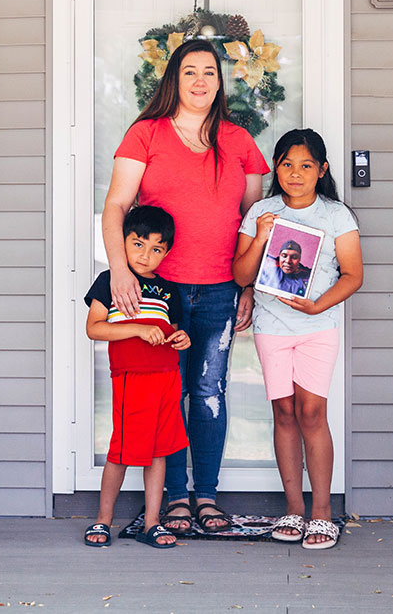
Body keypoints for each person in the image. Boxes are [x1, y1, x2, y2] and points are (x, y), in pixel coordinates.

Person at [101, 38, 269, 533]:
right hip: (161, 292)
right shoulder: (146, 134)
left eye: (210, 72)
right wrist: (120, 269)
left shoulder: (239, 141)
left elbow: (253, 222)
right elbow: (116, 206)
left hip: (220, 288)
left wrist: (249, 287)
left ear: (220, 82)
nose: (200, 80)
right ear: (174, 79)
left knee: (210, 391)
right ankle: (175, 498)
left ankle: (207, 497)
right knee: (166, 394)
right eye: (190, 71)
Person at [233, 129, 363, 549]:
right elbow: (241, 274)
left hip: (317, 327)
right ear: (276, 167)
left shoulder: (336, 215)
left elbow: (353, 275)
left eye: (306, 165)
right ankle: (293, 509)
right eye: (287, 164)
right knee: (284, 412)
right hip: (271, 326)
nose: (295, 173)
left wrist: (318, 306)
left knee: (312, 413)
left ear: (322, 170)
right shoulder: (262, 211)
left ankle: (321, 513)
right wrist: (261, 236)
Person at [83, 205, 191, 549]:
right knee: (121, 452)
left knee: (159, 453)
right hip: (133, 378)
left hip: (167, 378)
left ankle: (152, 522)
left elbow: (173, 331)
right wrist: (138, 329)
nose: (146, 255)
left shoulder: (169, 290)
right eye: (139, 244)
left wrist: (181, 338)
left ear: (167, 253)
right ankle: (103, 519)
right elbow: (95, 328)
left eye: (157, 249)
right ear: (124, 242)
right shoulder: (111, 281)